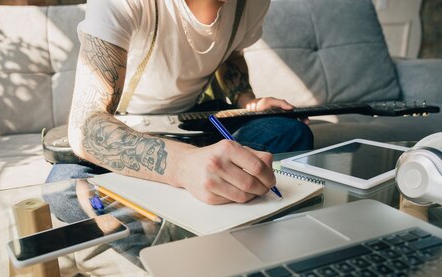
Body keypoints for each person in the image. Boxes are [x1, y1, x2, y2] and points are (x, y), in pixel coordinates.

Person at [48, 0, 313, 204]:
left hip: (195, 124)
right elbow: (87, 126)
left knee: (290, 132)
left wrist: (248, 101)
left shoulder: (252, 4)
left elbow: (231, 54)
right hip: (125, 127)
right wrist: (184, 166)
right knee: (65, 189)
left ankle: (178, 201)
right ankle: (198, 202)